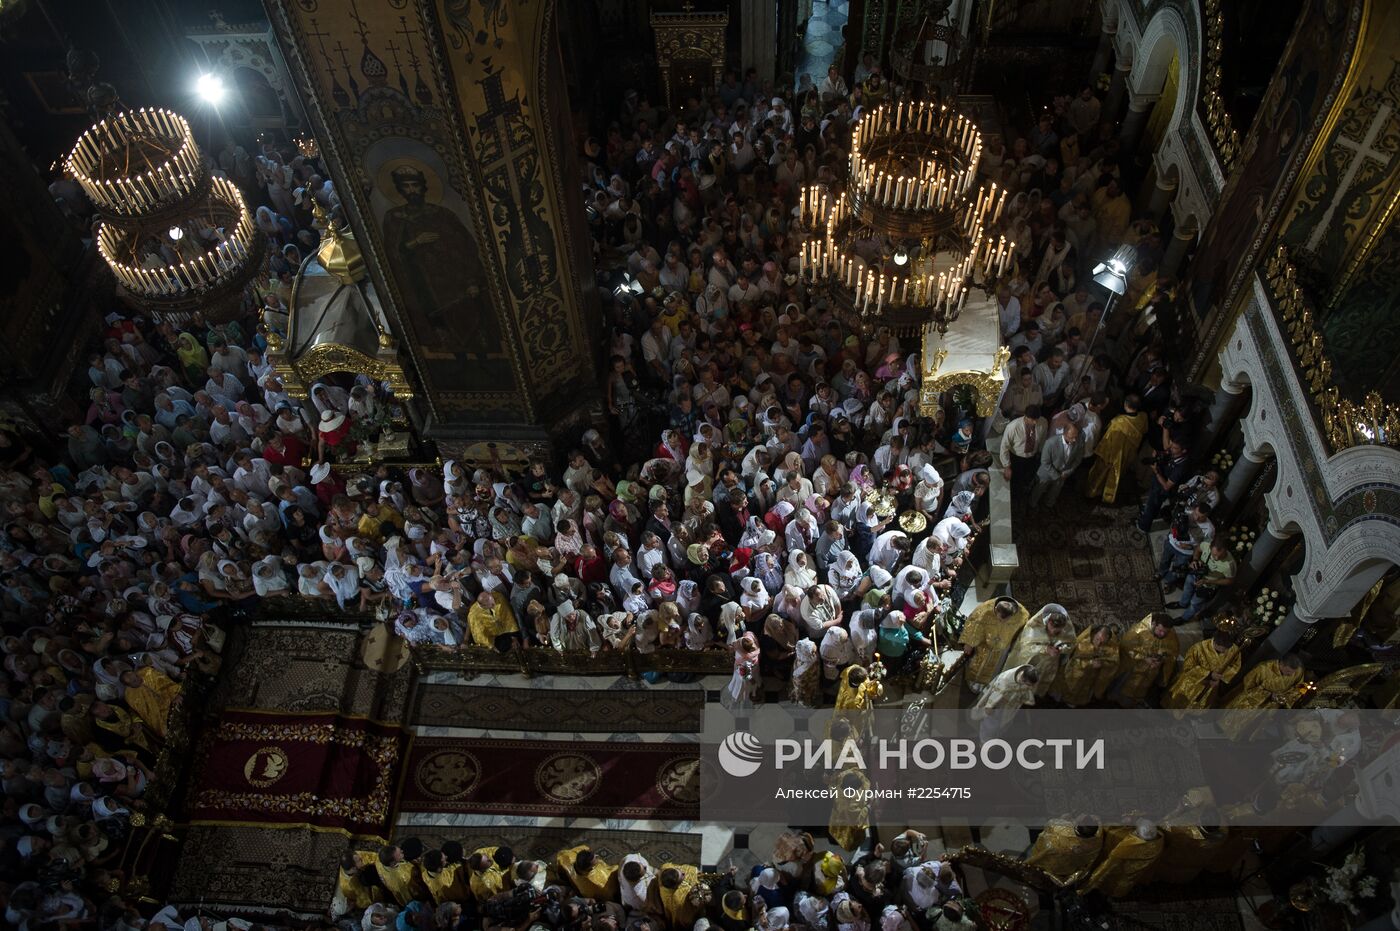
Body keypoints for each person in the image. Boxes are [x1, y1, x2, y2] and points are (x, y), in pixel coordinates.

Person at [1220, 654, 1305, 740]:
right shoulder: (1263, 668)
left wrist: (1283, 697)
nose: (1290, 675)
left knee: (1256, 726)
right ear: (1281, 664)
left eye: (1292, 673)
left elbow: (1299, 688)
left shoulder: (1298, 671)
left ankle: (1244, 740)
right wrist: (1268, 693)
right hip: (1254, 702)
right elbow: (1248, 686)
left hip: (1272, 705)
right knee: (1239, 720)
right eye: (1288, 671)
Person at [1085, 394, 1147, 505]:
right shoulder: (1143, 417)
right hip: (1128, 455)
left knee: (1100, 475)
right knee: (1117, 476)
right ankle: (1108, 496)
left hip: (1111, 456)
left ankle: (1093, 493)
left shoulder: (1118, 423)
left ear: (1125, 404)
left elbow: (1107, 441)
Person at [958, 597, 1029, 692]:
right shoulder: (985, 609)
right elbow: (974, 623)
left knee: (996, 667)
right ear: (996, 609)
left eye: (1005, 620)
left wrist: (1014, 645)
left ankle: (988, 683)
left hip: (1002, 649)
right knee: (978, 664)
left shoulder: (1022, 615)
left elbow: (1024, 631)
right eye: (999, 619)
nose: (1001, 622)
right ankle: (973, 680)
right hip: (984, 645)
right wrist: (969, 643)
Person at [1162, 632, 1241, 713]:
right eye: (1222, 649)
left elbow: (1235, 666)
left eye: (1227, 649)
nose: (1225, 652)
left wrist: (1220, 677)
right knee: (1180, 704)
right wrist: (1210, 675)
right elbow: (1188, 667)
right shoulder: (1198, 648)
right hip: (1193, 683)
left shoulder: (1233, 649)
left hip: (1212, 685)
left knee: (1200, 704)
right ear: (1215, 643)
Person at [1113, 613, 1179, 706]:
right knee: (1126, 685)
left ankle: (1136, 699)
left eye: (1166, 632)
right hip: (1133, 667)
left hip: (1152, 671)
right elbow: (1126, 649)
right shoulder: (1138, 631)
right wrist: (1144, 658)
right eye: (1160, 630)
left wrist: (1161, 661)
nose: (1163, 634)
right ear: (1154, 624)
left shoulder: (1171, 637)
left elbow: (1172, 655)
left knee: (1144, 687)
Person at [1023, 814, 1103, 885]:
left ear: (1077, 826)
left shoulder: (1059, 832)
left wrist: (1064, 819)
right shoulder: (1098, 840)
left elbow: (1050, 825)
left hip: (1050, 866)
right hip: (1071, 870)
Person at [970, 664, 1038, 741]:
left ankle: (995, 739)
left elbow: (1027, 690)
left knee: (1005, 723)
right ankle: (984, 742)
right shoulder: (1005, 680)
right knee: (990, 727)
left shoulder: (1027, 673)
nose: (1029, 687)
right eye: (1028, 684)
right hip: (998, 706)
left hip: (1011, 706)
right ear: (1022, 679)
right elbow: (995, 694)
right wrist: (989, 707)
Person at [1177, 538, 1236, 622]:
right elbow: (1197, 549)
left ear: (1226, 550)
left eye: (1220, 556)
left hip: (1208, 586)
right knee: (1187, 589)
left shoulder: (1230, 565)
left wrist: (1208, 581)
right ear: (1210, 547)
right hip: (1195, 574)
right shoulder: (1205, 545)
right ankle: (1182, 604)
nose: (1216, 558)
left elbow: (1230, 581)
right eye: (1214, 554)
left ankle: (1184, 618)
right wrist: (1195, 560)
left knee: (1195, 603)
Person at [1029, 422, 1083, 508]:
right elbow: (1045, 462)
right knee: (1038, 490)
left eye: (1076, 437)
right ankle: (1032, 505)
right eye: (1072, 437)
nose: (1074, 440)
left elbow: (1078, 459)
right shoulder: (1050, 443)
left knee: (1055, 492)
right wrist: (1057, 476)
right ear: (1064, 434)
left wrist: (1068, 471)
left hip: (1063, 474)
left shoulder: (1078, 442)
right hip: (1046, 473)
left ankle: (1049, 505)